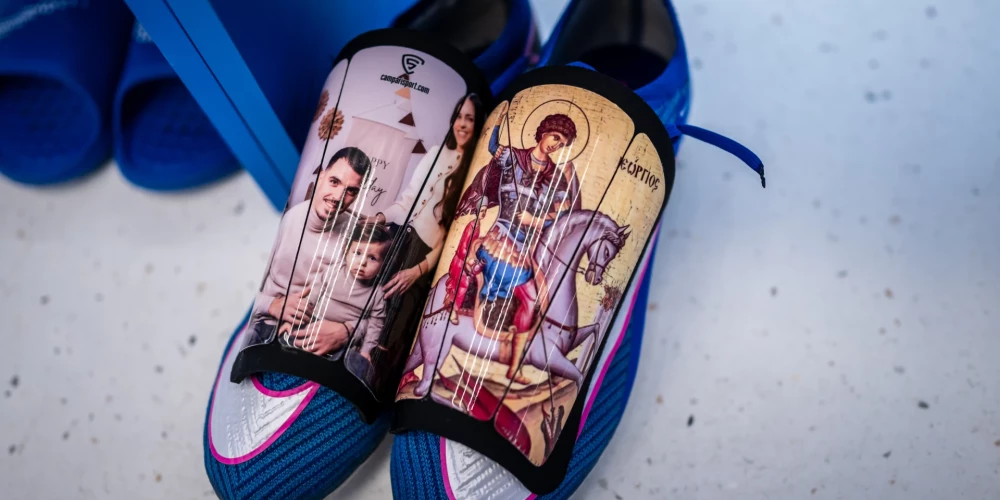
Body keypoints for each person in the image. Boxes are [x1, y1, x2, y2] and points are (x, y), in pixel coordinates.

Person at [361, 94, 485, 389]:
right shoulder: (435, 154)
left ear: (478, 124)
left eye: (469, 119)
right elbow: (407, 201)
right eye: (459, 117)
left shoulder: (475, 171)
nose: (462, 124)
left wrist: (417, 271)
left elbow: (454, 235)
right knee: (370, 306)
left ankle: (374, 386)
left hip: (424, 255)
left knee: (395, 325)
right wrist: (380, 217)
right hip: (400, 237)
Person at [456, 102, 582, 383]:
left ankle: (513, 367)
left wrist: (534, 220)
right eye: (555, 137)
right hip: (500, 240)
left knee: (535, 300)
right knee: (526, 293)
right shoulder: (513, 157)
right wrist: (500, 120)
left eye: (561, 143)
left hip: (526, 249)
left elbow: (561, 213)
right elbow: (493, 146)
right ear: (543, 132)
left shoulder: (555, 177)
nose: (555, 145)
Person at [247, 146, 372, 356]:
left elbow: (375, 311)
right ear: (321, 176)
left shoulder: (357, 238)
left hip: (324, 337)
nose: (338, 196)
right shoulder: (288, 219)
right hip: (270, 325)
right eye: (334, 182)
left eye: (351, 191)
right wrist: (272, 305)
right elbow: (247, 290)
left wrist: (346, 331)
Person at [279, 223, 390, 361]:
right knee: (288, 345)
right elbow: (311, 298)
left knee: (344, 361)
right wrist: (293, 322)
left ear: (383, 265)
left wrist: (366, 351)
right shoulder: (334, 271)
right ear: (346, 251)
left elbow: (375, 325)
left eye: (372, 258)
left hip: (344, 338)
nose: (362, 262)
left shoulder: (377, 294)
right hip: (313, 321)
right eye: (357, 253)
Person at [444, 202, 489, 324]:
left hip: (467, 258)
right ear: (477, 211)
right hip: (461, 260)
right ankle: (453, 310)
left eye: (485, 211)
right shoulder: (471, 226)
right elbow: (463, 247)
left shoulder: (477, 225)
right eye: (481, 210)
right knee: (464, 283)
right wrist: (469, 259)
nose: (483, 213)